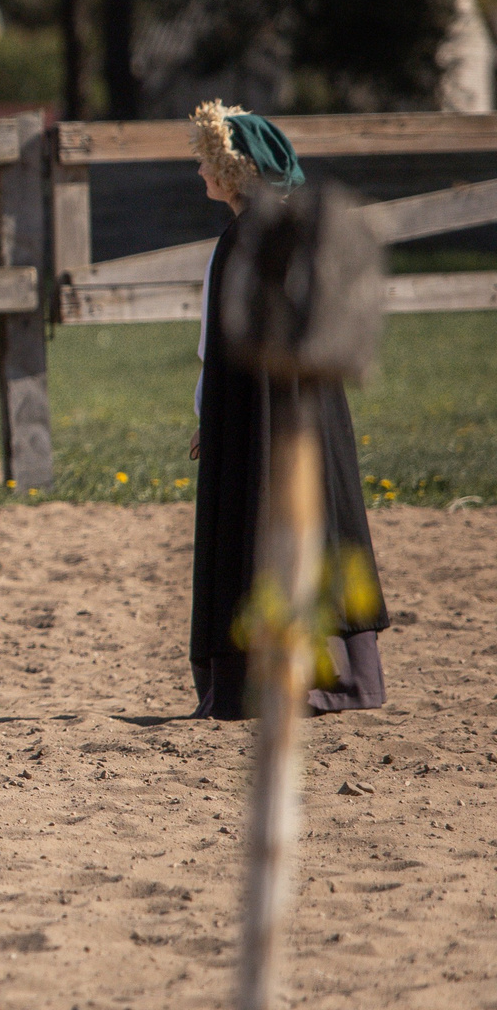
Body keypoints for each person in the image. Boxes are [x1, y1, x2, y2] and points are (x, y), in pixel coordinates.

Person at [186, 100, 388, 719]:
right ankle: (343, 674)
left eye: (207, 161)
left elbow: (218, 344)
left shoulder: (242, 243)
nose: (200, 172)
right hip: (308, 411)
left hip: (253, 418)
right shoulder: (282, 233)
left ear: (234, 169)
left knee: (257, 516)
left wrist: (209, 415)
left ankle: (267, 678)